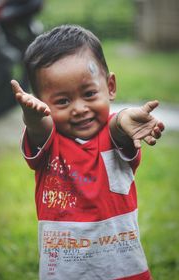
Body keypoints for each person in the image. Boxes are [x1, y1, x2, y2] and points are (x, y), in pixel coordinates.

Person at [11, 24, 164, 280]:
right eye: (62, 101)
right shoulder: (49, 144)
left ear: (110, 86)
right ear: (41, 102)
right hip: (65, 272)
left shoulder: (117, 135)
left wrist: (125, 116)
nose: (80, 108)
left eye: (90, 93)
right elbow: (40, 128)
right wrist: (32, 116)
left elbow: (117, 127)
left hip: (125, 270)